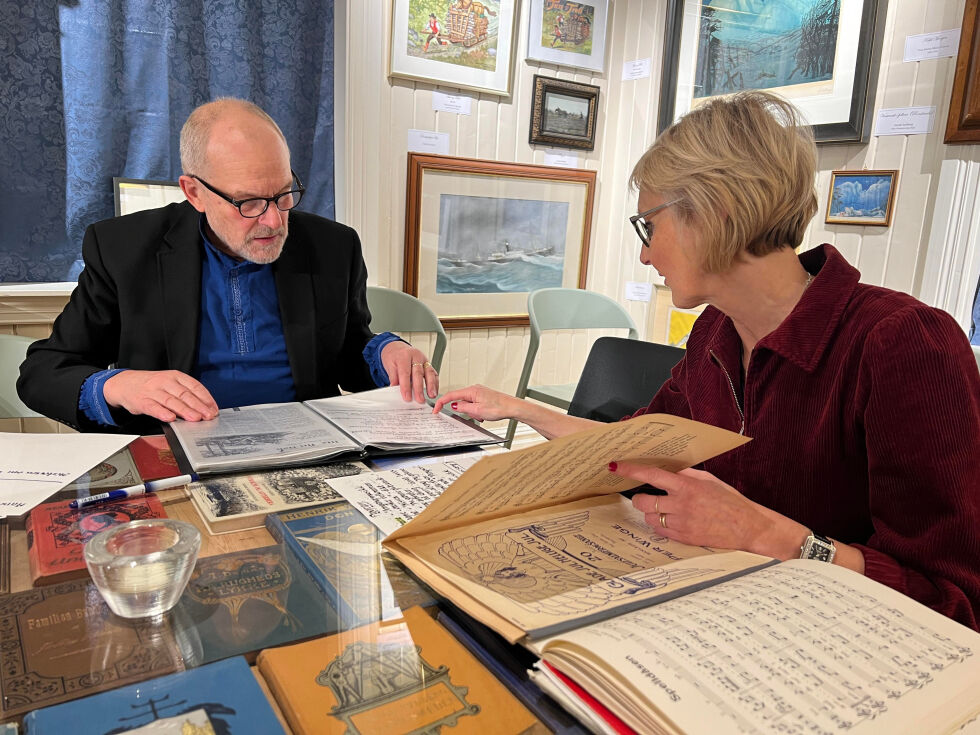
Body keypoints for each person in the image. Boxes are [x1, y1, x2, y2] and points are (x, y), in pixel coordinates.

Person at [434, 91, 980, 630]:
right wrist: (520, 409)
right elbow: (633, 451)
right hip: (726, 622)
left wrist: (769, 535)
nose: (645, 253)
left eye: (649, 225)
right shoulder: (716, 330)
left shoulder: (903, 343)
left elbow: (957, 602)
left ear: (714, 209)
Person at [18, 98, 438, 435]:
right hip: (172, 450)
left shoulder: (333, 245)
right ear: (194, 192)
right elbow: (42, 371)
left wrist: (386, 351)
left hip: (308, 445)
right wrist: (120, 384)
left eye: (284, 194)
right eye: (248, 202)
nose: (274, 221)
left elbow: (348, 351)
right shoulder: (124, 248)